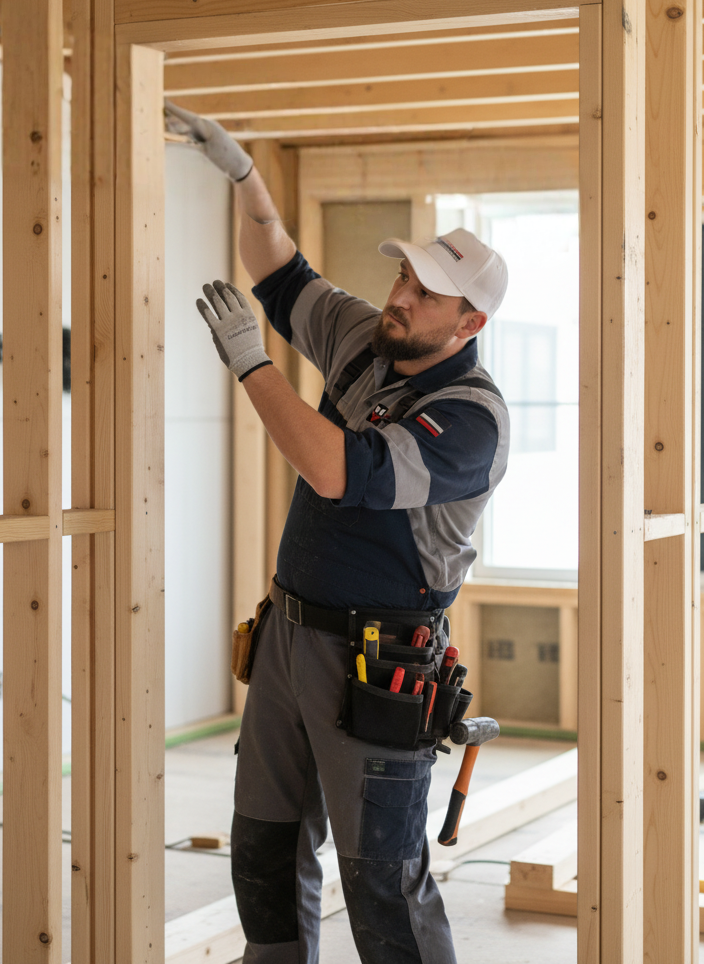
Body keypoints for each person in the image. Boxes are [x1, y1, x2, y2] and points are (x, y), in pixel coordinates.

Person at [167, 102, 510, 964]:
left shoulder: (471, 418)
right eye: (403, 277)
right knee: (264, 850)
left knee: (381, 877)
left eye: (426, 293)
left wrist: (253, 364)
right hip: (289, 637)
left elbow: (339, 471)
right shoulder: (369, 339)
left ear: (468, 323)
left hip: (378, 662)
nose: (399, 295)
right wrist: (247, 179)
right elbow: (280, 272)